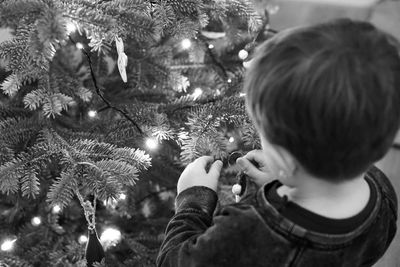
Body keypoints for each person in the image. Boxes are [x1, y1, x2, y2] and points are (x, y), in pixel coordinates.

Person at [157, 19, 400, 267]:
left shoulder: (249, 230)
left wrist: (193, 202)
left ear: (286, 160)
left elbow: (176, 263)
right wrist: (281, 180)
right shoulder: (383, 194)